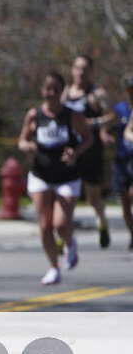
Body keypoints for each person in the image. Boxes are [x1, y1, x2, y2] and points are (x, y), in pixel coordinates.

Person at [18, 72, 92, 285]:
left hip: (67, 176)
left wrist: (75, 152)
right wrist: (28, 146)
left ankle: (70, 242)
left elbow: (88, 138)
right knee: (44, 226)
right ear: (42, 91)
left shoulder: (72, 115)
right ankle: (53, 267)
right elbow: (22, 140)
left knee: (60, 223)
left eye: (55, 89)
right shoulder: (34, 115)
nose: (50, 93)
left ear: (62, 92)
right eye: (47, 89)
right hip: (41, 174)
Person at [63, 54, 113, 248]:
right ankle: (63, 235)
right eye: (77, 68)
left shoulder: (96, 94)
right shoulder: (66, 92)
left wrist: (95, 124)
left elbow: (112, 116)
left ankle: (102, 221)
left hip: (91, 149)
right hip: (71, 150)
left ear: (91, 71)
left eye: (84, 69)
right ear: (72, 69)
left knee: (93, 196)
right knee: (67, 195)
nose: (80, 72)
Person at [107, 75, 133, 250]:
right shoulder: (120, 109)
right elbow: (106, 123)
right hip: (121, 161)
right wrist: (104, 134)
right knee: (124, 204)